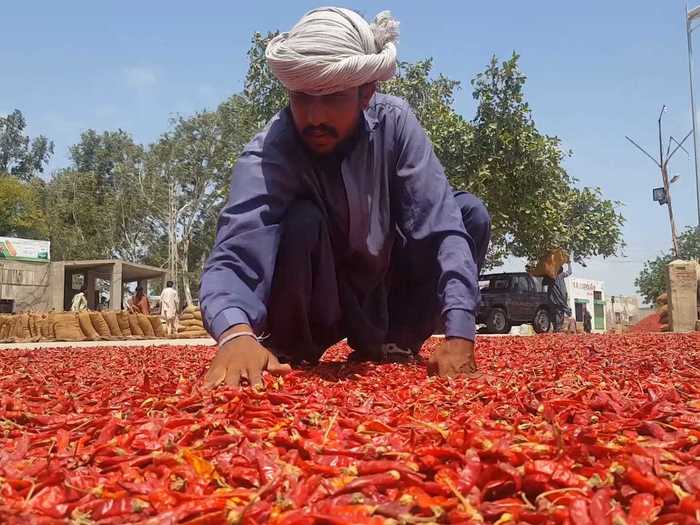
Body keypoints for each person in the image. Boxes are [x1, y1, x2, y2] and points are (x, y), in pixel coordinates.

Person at [200, 7, 491, 388]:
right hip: (318, 297)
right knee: (302, 220)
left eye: (334, 98)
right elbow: (235, 249)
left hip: (386, 293)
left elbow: (442, 228)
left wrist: (460, 331)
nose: (315, 116)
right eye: (302, 97)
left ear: (366, 92)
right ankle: (291, 350)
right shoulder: (271, 150)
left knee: (468, 214)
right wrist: (236, 334)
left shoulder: (396, 124)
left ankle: (395, 341)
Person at [543, 263, 572, 332]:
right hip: (560, 299)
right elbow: (569, 272)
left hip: (553, 299)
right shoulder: (561, 275)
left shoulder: (550, 276)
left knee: (555, 313)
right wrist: (569, 264)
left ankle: (557, 328)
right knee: (558, 313)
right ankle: (557, 328)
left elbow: (544, 282)